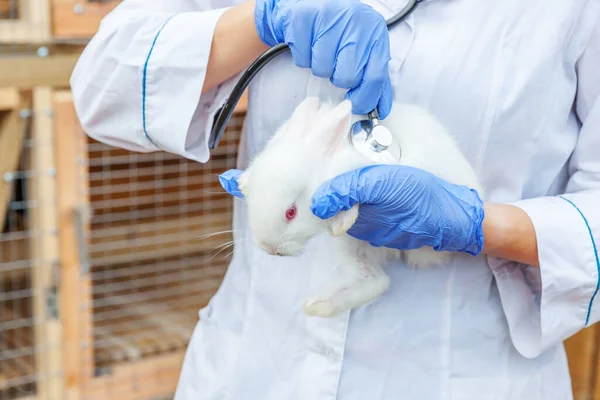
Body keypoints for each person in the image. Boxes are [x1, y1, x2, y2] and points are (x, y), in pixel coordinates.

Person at [70, 0, 600, 398]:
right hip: (252, 368)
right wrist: (265, 17)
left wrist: (479, 227)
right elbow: (103, 85)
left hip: (460, 375)